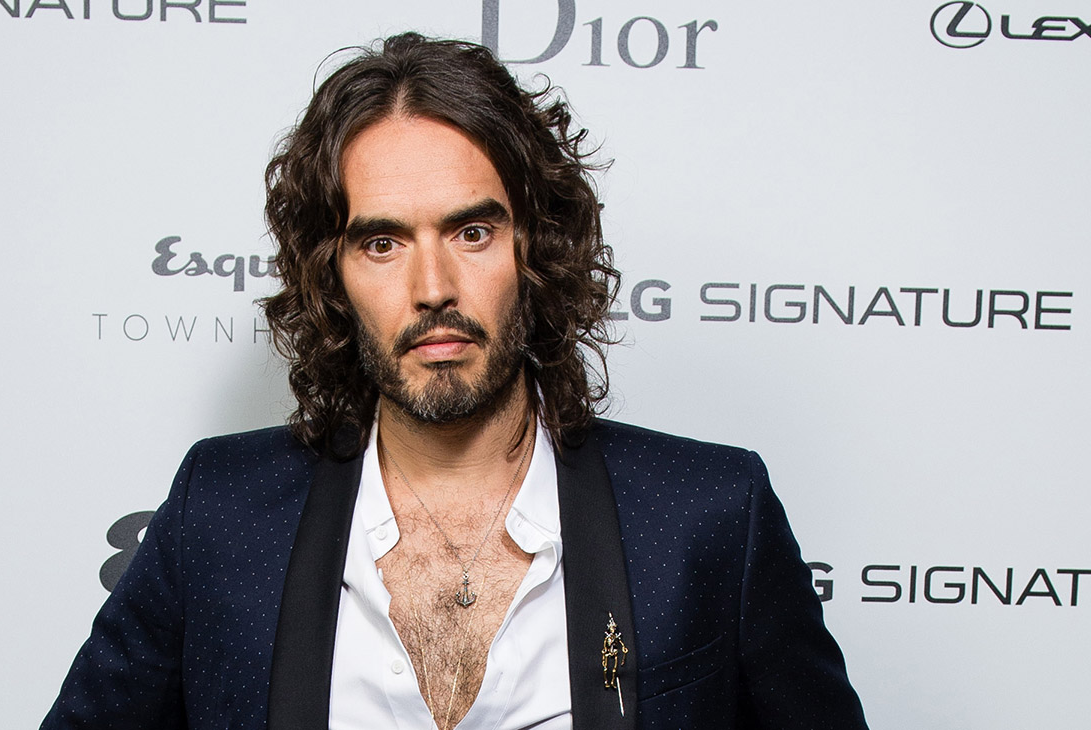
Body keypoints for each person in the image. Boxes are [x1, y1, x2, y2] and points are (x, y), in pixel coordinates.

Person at [42, 33, 868, 729]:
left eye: (471, 232)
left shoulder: (709, 512)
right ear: (332, 276)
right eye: (382, 243)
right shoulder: (219, 511)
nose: (433, 287)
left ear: (535, 247)